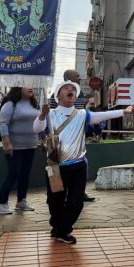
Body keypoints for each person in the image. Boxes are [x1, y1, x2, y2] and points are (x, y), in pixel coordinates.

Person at [34, 80, 134, 244]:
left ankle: (63, 230)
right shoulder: (50, 114)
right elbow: (36, 129)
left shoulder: (82, 114)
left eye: (73, 89)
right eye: (66, 88)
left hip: (77, 166)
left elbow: (100, 116)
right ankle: (57, 226)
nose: (70, 90)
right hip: (54, 166)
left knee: (76, 201)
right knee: (54, 200)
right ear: (58, 95)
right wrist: (42, 115)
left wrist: (124, 111)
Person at [49, 69, 95, 202]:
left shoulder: (79, 94)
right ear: (68, 78)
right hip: (59, 139)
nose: (80, 78)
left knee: (82, 163)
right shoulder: (56, 96)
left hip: (77, 137)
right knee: (54, 165)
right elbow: (52, 118)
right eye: (77, 76)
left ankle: (78, 192)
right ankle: (58, 196)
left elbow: (82, 114)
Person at [0, 87, 41, 215]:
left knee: (25, 174)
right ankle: (2, 203)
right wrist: (6, 142)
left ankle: (21, 201)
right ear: (19, 88)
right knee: (14, 172)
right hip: (14, 146)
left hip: (31, 144)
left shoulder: (35, 104)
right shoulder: (10, 104)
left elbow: (40, 121)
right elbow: (3, 123)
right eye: (27, 85)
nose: (31, 87)